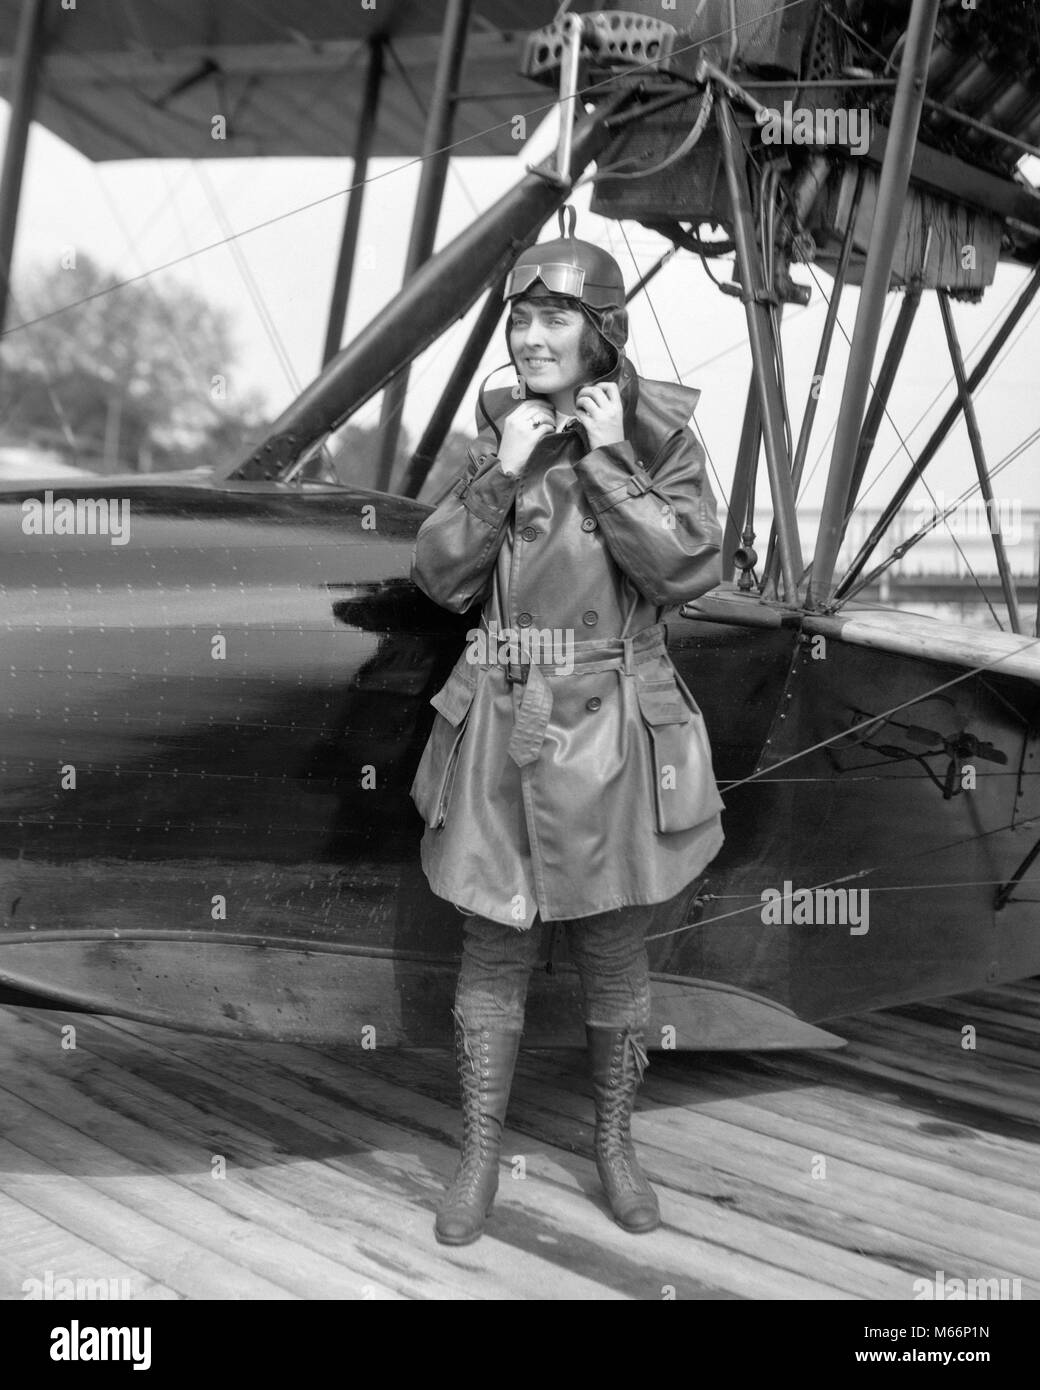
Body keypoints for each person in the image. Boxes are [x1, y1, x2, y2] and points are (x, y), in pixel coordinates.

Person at [410, 215, 725, 1246]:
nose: (530, 338)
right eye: (519, 318)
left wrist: (600, 460)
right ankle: (474, 1157)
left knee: (613, 944)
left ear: (602, 331)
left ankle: (616, 1148)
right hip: (508, 713)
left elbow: (685, 566)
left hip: (610, 720)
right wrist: (500, 473)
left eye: (552, 319)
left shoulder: (661, 435)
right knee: (490, 945)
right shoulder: (492, 432)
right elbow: (439, 574)